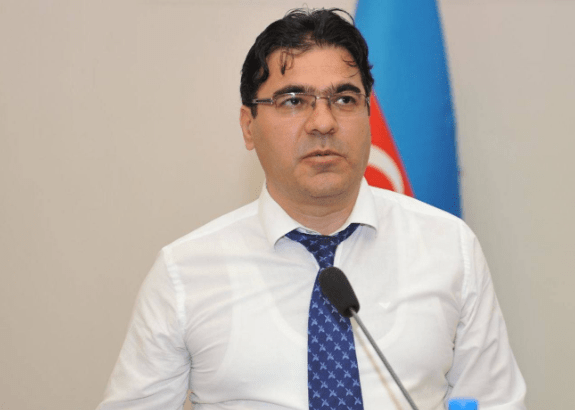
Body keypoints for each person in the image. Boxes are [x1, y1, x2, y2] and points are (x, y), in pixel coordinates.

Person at [96, 8, 527, 410]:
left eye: (345, 99)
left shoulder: (448, 247)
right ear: (249, 127)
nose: (323, 122)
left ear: (368, 114)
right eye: (293, 100)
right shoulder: (185, 274)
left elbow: (494, 402)